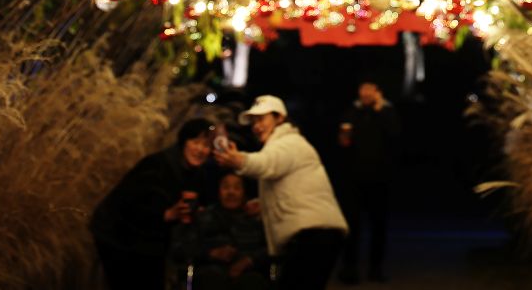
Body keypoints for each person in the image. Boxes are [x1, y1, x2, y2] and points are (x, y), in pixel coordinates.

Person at [213, 95, 348, 290]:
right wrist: (263, 204)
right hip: (317, 235)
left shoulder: (289, 142)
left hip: (314, 235)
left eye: (261, 119)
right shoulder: (285, 144)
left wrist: (238, 160)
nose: (256, 126)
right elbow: (290, 188)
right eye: (253, 121)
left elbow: (266, 164)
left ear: (280, 118)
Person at [90, 117, 215, 290]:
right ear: (183, 142)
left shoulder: (197, 173)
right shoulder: (157, 165)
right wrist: (166, 214)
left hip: (152, 237)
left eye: (206, 145)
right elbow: (128, 204)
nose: (200, 150)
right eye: (195, 142)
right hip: (117, 233)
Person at [337, 80, 400, 283]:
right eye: (362, 88)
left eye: (369, 89)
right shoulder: (352, 111)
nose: (365, 93)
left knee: (378, 225)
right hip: (354, 179)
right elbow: (342, 140)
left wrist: (380, 111)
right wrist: (344, 138)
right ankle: (349, 269)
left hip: (380, 179)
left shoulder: (388, 112)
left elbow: (395, 136)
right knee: (352, 225)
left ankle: (376, 269)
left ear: (378, 91)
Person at [175, 172, 271, 290]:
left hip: (249, 273)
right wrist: (210, 253)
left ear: (244, 193)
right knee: (211, 278)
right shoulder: (204, 217)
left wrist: (249, 260)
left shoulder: (256, 219)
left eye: (237, 188)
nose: (231, 192)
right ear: (218, 192)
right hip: (211, 274)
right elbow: (180, 249)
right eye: (226, 187)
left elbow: (271, 249)